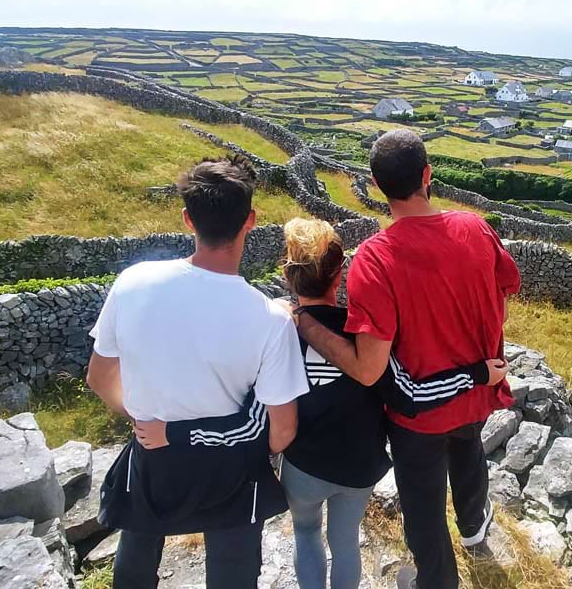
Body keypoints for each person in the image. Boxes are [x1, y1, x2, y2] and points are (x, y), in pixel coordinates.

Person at [136, 217, 494, 589]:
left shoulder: (277, 333)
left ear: (288, 276)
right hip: (360, 467)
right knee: (345, 544)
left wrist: (179, 433)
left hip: (304, 467)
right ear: (339, 275)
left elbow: (254, 408)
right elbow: (410, 394)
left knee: (307, 535)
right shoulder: (367, 336)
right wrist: (477, 375)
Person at [284, 129, 521, 589]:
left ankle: (437, 581)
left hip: (417, 419)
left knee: (424, 512)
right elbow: (503, 294)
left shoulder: (376, 258)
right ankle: (475, 529)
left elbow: (369, 368)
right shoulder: (475, 227)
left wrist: (307, 324)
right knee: (469, 455)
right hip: (474, 390)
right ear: (428, 174)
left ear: (374, 184)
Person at [85, 155, 310, 589]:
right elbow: (282, 430)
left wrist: (142, 419)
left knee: (135, 565)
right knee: (232, 575)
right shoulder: (270, 320)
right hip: (230, 471)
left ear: (188, 219)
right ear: (251, 221)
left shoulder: (133, 282)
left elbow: (99, 377)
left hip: (153, 458)